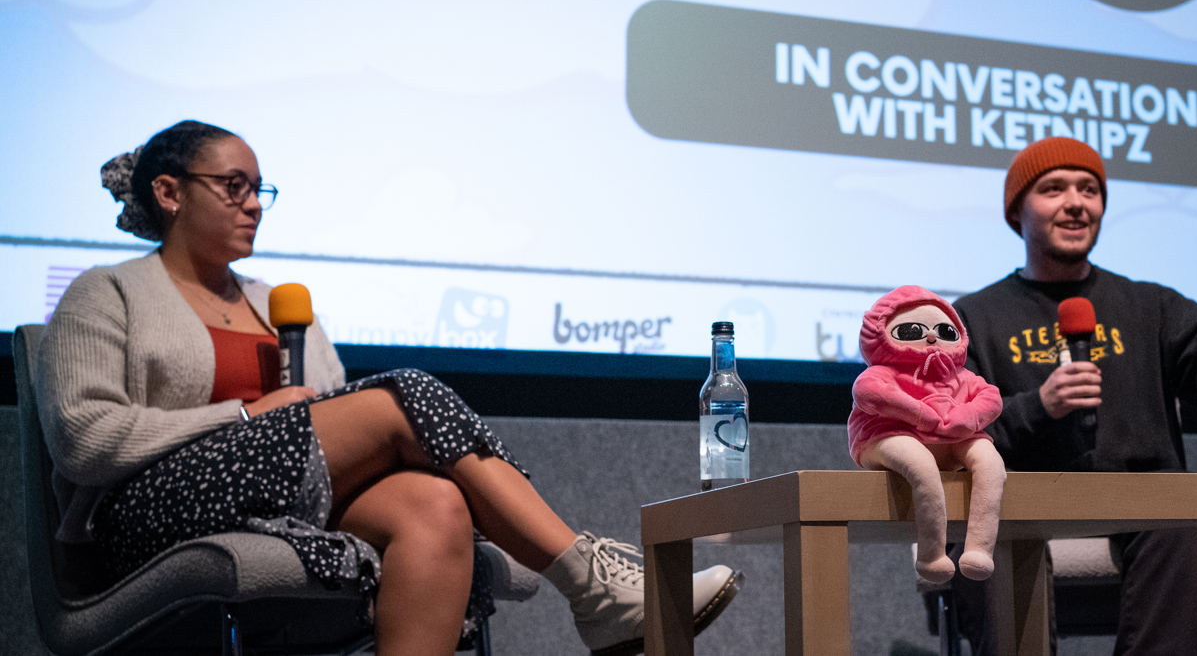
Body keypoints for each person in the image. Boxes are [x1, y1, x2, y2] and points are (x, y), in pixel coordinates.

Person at [37, 120, 744, 656]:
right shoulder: (107, 293)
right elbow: (83, 441)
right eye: (233, 186)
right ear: (168, 193)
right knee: (401, 394)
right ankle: (591, 580)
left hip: (276, 500)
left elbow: (336, 430)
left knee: (433, 501)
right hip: (146, 515)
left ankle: (599, 590)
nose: (254, 204)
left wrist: (285, 419)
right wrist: (246, 413)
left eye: (261, 190)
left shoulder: (280, 304)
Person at [948, 136, 1197, 656]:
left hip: (1141, 501)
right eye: (1053, 189)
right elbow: (951, 428)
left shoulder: (1149, 305)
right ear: (1018, 211)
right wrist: (1039, 406)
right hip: (1018, 499)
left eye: (1089, 189)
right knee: (985, 535)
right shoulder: (975, 316)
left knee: (1180, 520)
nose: (1076, 202)